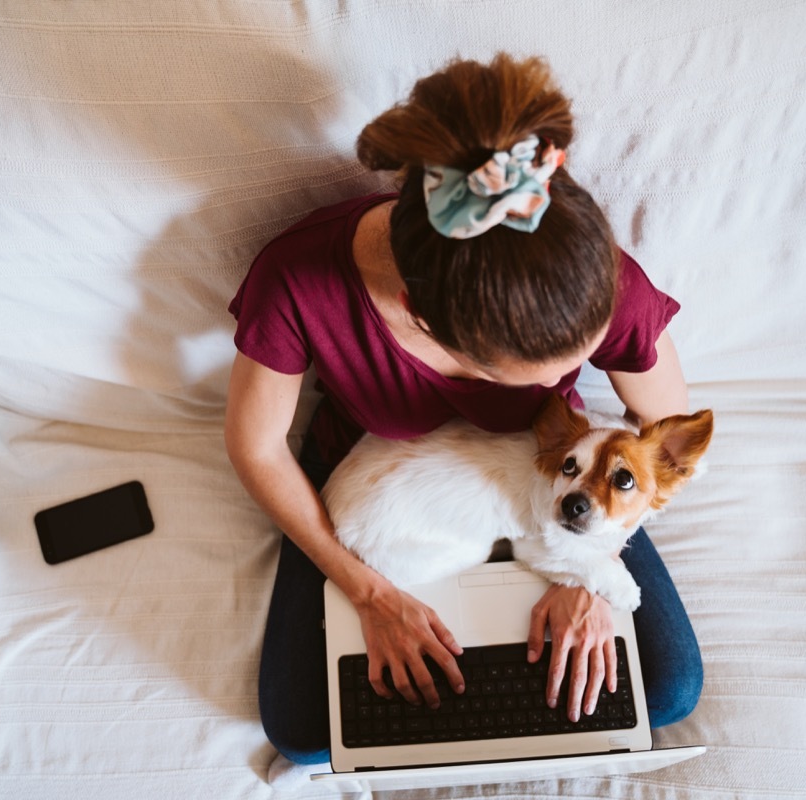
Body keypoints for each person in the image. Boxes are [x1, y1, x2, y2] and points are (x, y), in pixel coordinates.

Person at [225, 53, 703, 766]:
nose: (566, 373)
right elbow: (256, 446)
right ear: (422, 320)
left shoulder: (601, 283)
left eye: (572, 360)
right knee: (304, 725)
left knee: (663, 690)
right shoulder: (298, 277)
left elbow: (663, 433)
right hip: (378, 481)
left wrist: (589, 573)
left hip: (553, 474)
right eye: (513, 379)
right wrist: (370, 593)